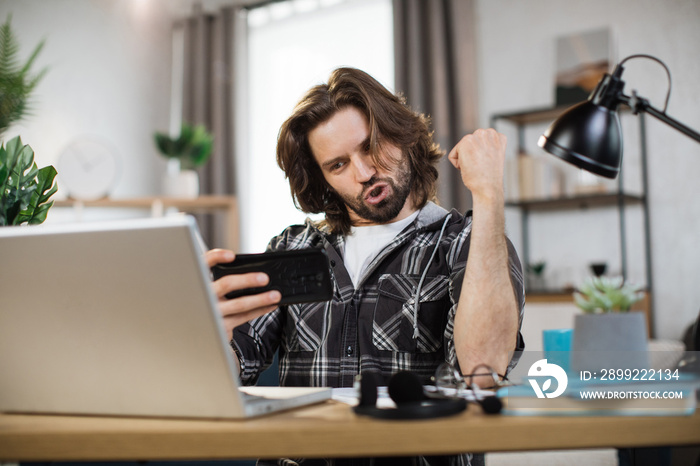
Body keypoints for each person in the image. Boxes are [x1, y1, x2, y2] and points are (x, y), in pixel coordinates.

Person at [206, 67, 525, 466]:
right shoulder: (292, 249)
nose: (363, 173)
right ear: (323, 180)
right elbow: (228, 374)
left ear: (402, 133)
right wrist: (211, 332)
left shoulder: (467, 244)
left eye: (370, 145)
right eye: (338, 165)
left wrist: (490, 192)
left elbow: (483, 375)